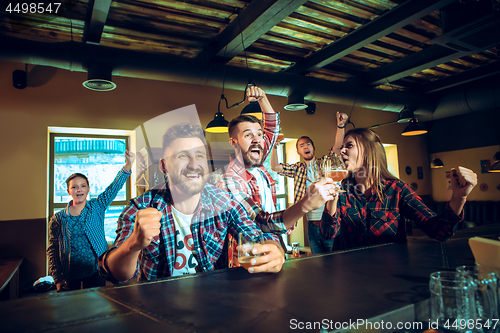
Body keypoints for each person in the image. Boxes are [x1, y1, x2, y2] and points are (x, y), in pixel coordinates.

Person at [99, 122, 285, 283]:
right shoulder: (141, 207)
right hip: (157, 312)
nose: (194, 164)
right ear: (164, 166)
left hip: (214, 307)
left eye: (199, 155)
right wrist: (133, 243)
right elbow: (117, 274)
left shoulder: (223, 201)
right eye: (182, 156)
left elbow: (255, 236)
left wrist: (275, 251)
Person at [217, 86, 337, 265]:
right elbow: (260, 222)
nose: (257, 139)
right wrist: (305, 204)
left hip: (275, 248)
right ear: (234, 143)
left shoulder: (256, 162)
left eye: (259, 134)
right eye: (248, 135)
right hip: (248, 260)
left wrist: (263, 98)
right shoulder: (229, 181)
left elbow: (272, 129)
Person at [321, 128, 478, 250]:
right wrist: (332, 198)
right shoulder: (342, 190)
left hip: (388, 276)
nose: (342, 151)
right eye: (342, 147)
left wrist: (458, 198)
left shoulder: (397, 190)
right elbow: (328, 235)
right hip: (349, 276)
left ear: (370, 150)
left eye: (349, 146)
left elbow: (439, 231)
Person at [47, 150, 135, 292]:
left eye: (83, 186)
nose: (79, 189)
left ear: (88, 189)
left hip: (96, 270)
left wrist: (129, 164)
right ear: (68, 191)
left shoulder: (97, 206)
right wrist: (57, 278)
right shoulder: (58, 219)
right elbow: (53, 250)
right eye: (74, 187)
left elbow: (114, 187)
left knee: (97, 304)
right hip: (70, 275)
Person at [270, 112, 348, 254]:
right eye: (301, 145)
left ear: (313, 147)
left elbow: (337, 148)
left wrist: (340, 126)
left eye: (308, 144)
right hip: (311, 226)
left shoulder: (324, 164)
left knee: (335, 262)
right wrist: (275, 146)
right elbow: (275, 167)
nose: (306, 147)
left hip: (330, 223)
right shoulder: (297, 169)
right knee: (318, 265)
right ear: (298, 151)